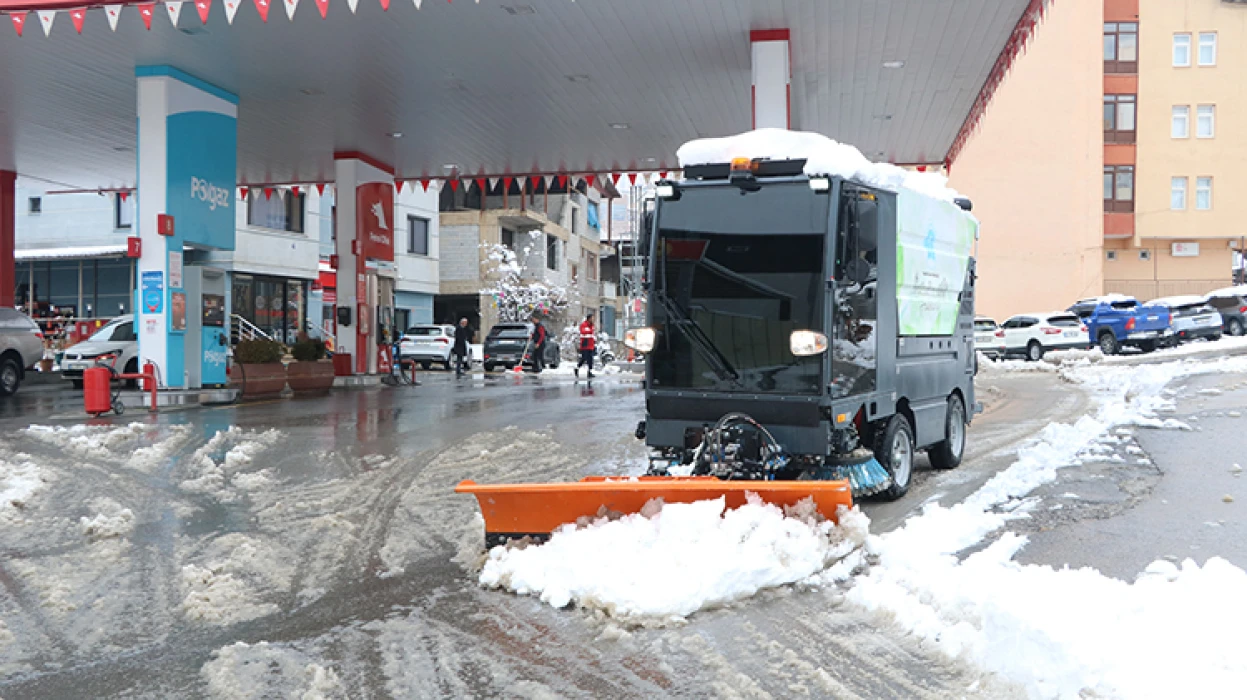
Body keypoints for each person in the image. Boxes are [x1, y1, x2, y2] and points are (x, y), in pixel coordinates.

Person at [575, 312, 596, 379]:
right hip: (585, 344)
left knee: (590, 359)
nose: (593, 319)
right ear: (589, 318)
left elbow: (592, 333)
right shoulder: (584, 325)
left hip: (591, 344)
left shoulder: (592, 325)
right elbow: (583, 332)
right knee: (584, 358)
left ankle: (589, 372)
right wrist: (589, 331)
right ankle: (577, 368)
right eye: (592, 318)